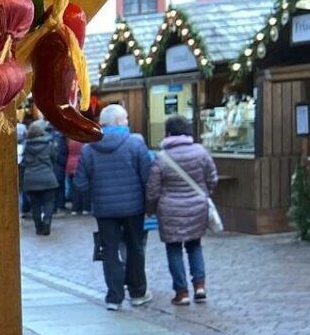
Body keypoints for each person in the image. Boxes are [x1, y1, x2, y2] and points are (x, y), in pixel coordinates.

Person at [74, 103, 154, 311]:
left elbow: (80, 182)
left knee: (109, 250)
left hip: (104, 209)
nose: (127, 121)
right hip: (133, 208)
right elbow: (148, 176)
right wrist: (148, 202)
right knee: (135, 248)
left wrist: (95, 197)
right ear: (119, 122)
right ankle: (137, 292)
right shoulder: (135, 144)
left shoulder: (89, 148)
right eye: (125, 118)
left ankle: (114, 296)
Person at [146, 115, 217, 305]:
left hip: (170, 210)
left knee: (174, 249)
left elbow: (153, 189)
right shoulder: (201, 152)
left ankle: (182, 292)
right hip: (197, 206)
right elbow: (212, 178)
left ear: (168, 133)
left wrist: (151, 209)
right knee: (195, 246)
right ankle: (200, 286)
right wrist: (204, 193)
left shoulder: (161, 158)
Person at [20, 119, 67, 235]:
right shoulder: (49, 144)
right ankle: (47, 221)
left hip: (31, 180)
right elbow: (54, 159)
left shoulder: (26, 146)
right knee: (49, 202)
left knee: (35, 205)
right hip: (48, 178)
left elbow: (24, 162)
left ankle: (38, 227)